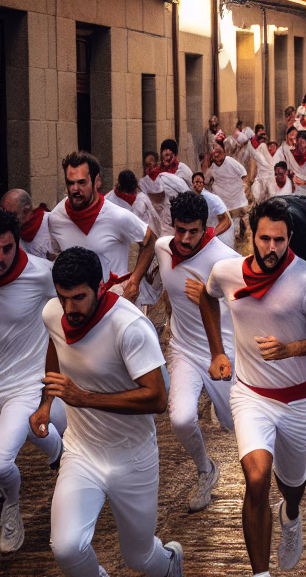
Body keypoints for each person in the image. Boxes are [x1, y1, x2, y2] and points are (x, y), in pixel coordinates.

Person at [201, 197, 306, 575]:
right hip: (250, 395)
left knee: (292, 485)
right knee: (258, 478)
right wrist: (218, 351)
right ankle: (260, 573)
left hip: (298, 401)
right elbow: (206, 294)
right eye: (264, 239)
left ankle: (291, 516)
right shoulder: (227, 271)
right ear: (252, 237)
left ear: (290, 238)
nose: (272, 248)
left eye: (279, 240)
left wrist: (292, 349)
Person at [32, 247, 183, 577]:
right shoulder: (52, 313)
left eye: (79, 297)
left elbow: (157, 399)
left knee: (139, 558)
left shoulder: (129, 327)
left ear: (100, 287)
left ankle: (170, 564)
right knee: (67, 547)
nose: (70, 308)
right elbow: (56, 348)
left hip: (133, 459)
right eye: (63, 297)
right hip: (81, 453)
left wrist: (84, 397)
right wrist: (46, 403)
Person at [155, 190, 240, 512]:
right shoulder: (162, 248)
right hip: (183, 350)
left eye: (194, 231)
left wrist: (210, 297)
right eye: (180, 230)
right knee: (181, 419)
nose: (186, 238)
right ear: (172, 226)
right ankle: (206, 469)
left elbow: (248, 304)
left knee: (236, 425)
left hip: (224, 351)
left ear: (206, 226)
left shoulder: (226, 259)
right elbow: (166, 285)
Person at [0, 207, 64, 553]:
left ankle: (11, 505)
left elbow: (73, 305)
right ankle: (58, 452)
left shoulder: (40, 275)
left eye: (6, 248)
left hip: (23, 386)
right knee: (32, 434)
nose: (0, 258)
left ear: (17, 244)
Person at [47, 151, 155, 300]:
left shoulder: (117, 216)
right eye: (70, 183)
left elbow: (150, 240)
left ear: (97, 181)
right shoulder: (56, 218)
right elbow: (53, 253)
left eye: (82, 182)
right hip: (78, 311)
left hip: (115, 306)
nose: (74, 189)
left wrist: (134, 281)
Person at [0, 187, 53, 258]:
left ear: (26, 210)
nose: (7, 220)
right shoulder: (10, 231)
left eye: (12, 215)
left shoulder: (52, 221)